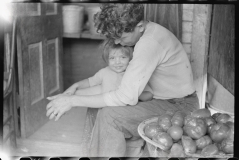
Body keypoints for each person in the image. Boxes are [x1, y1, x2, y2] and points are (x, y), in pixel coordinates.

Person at [46, 4, 199, 157]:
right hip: (162, 101)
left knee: (110, 116)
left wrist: (72, 101)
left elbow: (126, 97)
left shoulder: (149, 44)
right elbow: (106, 88)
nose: (118, 43)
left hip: (179, 106)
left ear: (139, 26)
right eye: (115, 38)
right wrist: (74, 94)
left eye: (122, 37)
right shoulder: (147, 32)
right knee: (94, 108)